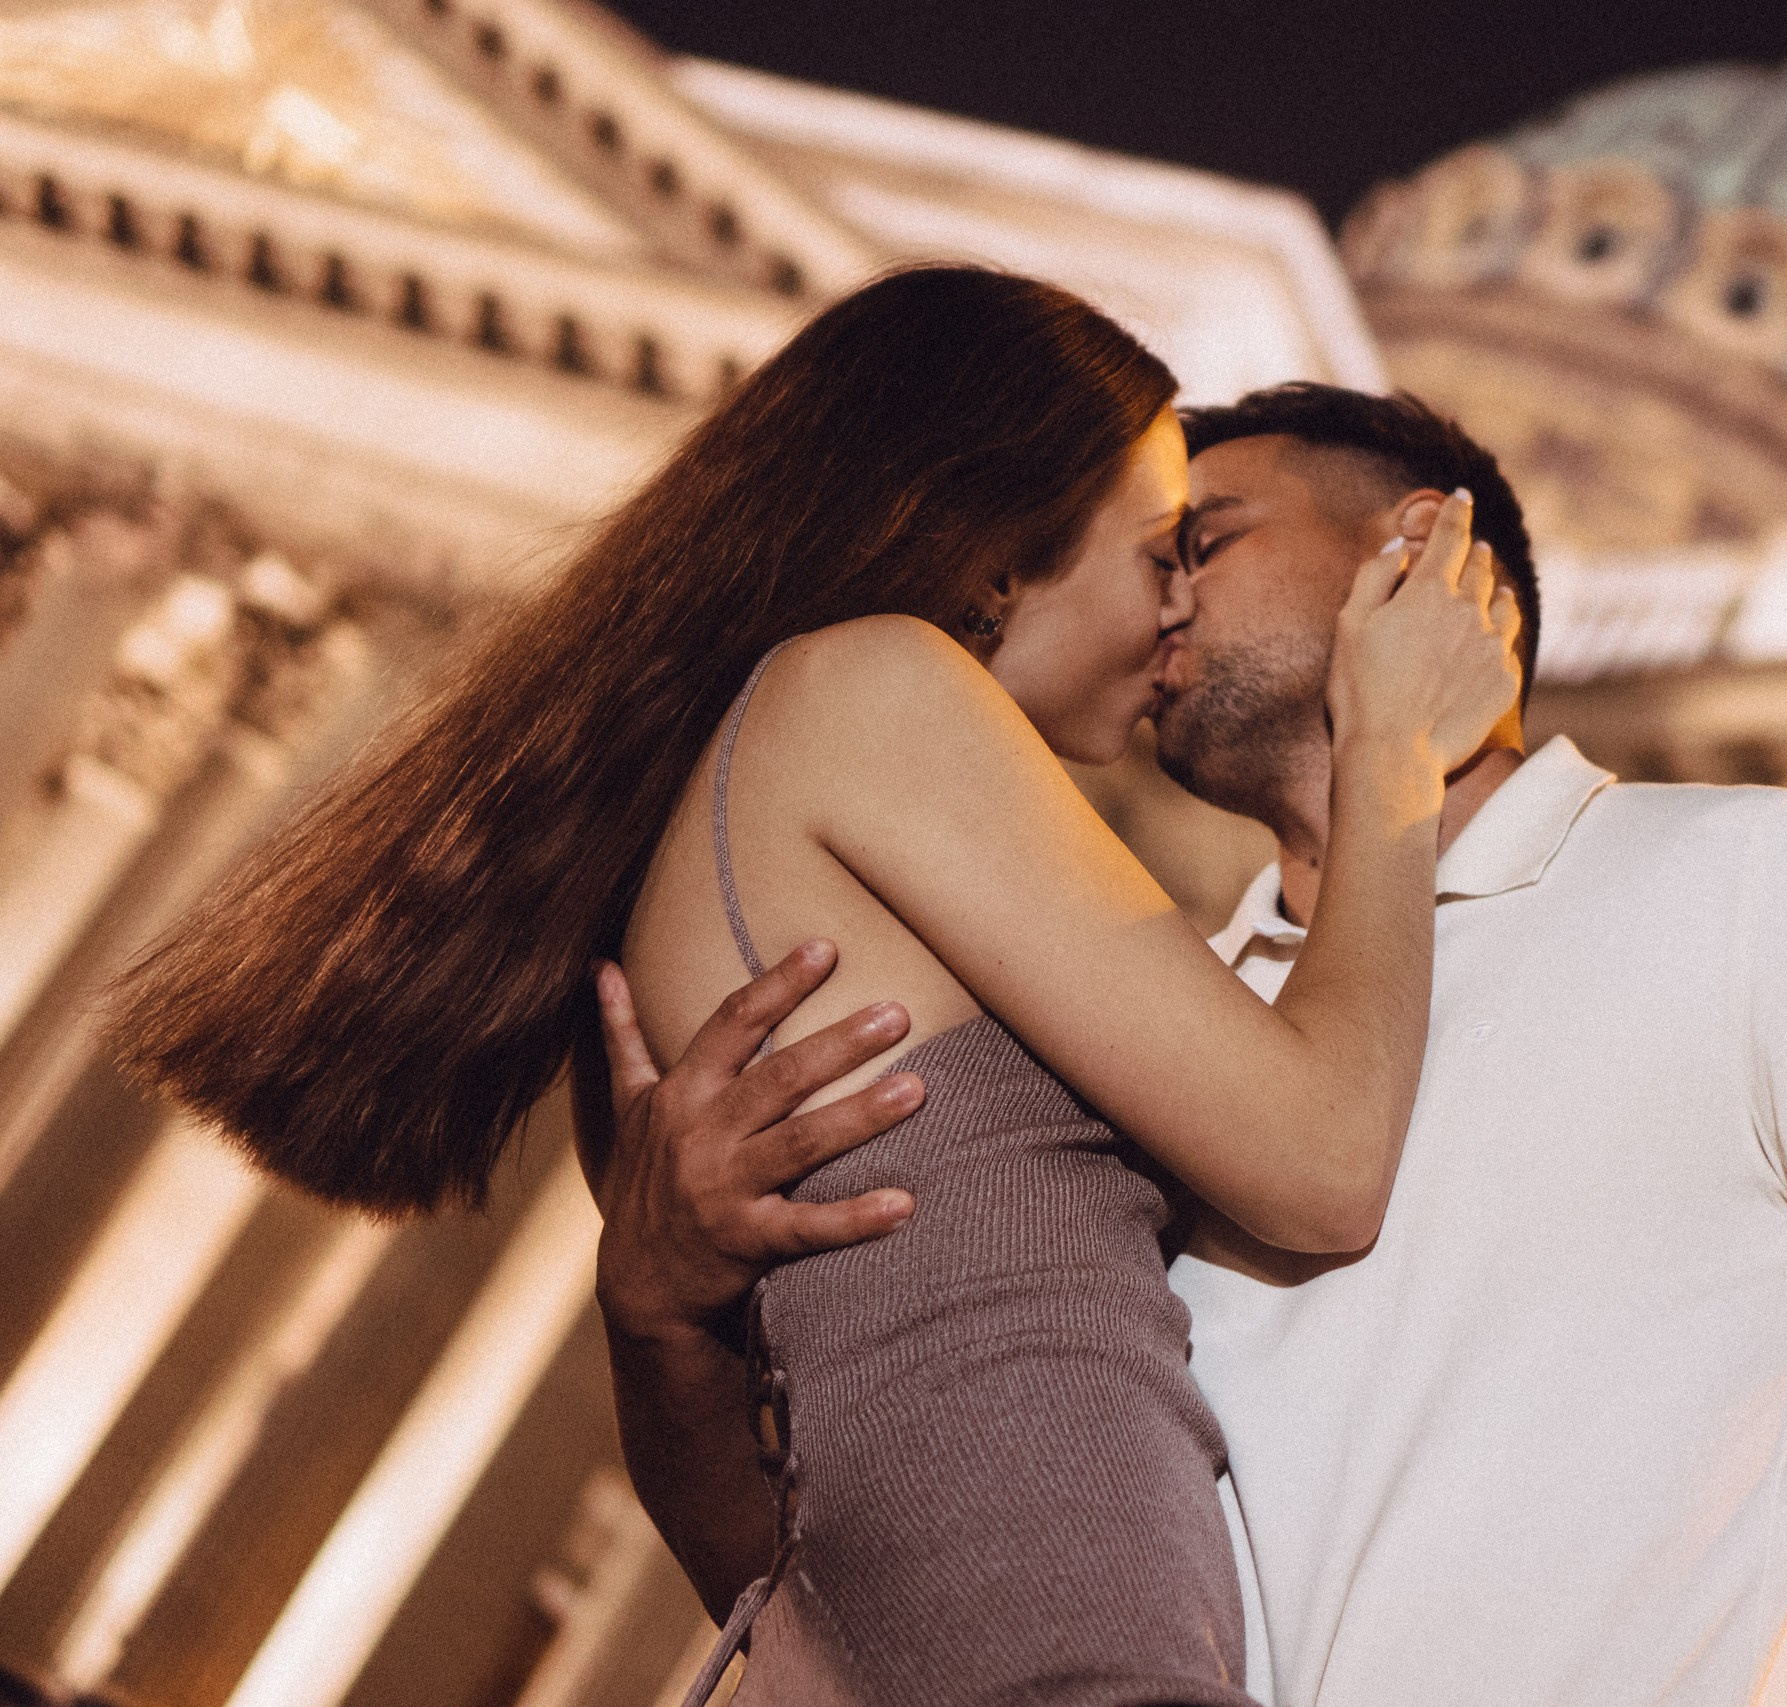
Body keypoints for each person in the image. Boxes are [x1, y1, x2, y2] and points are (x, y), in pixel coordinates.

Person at [600, 383, 1787, 1707]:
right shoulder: (1127, 1030)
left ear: (1424, 553)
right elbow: (816, 1580)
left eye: (1207, 538)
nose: (1156, 597)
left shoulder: (1748, 879)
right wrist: (658, 1316)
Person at [105, 273, 1521, 1706]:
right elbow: (1327, 1162)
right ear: (998, 561)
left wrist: (654, 1322)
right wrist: (1390, 753)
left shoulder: (718, 843)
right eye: (1165, 551)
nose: (1177, 613)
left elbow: (773, 1562)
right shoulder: (877, 692)